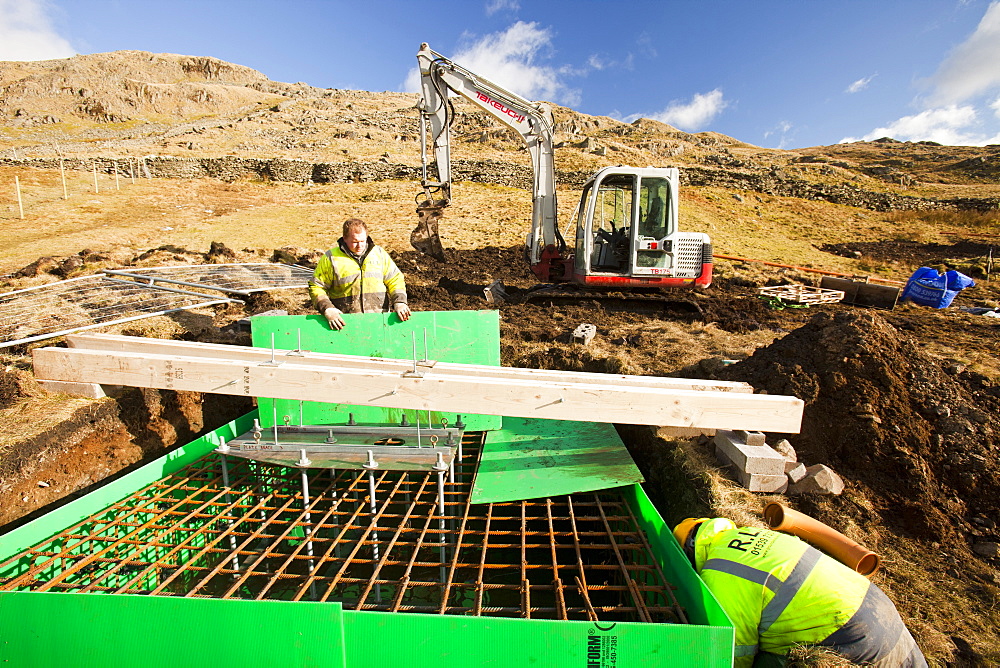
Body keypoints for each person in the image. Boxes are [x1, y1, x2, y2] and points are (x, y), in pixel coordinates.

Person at [672, 517, 927, 668]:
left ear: (689, 555)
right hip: (876, 604)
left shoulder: (719, 575)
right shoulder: (751, 535)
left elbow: (735, 653)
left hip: (844, 633)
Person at [309, 218, 412, 330]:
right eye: (355, 242)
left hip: (378, 322)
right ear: (344, 239)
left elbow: (395, 279)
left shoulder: (379, 254)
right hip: (345, 323)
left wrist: (400, 302)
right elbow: (317, 286)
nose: (360, 246)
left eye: (363, 241)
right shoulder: (331, 258)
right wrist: (327, 309)